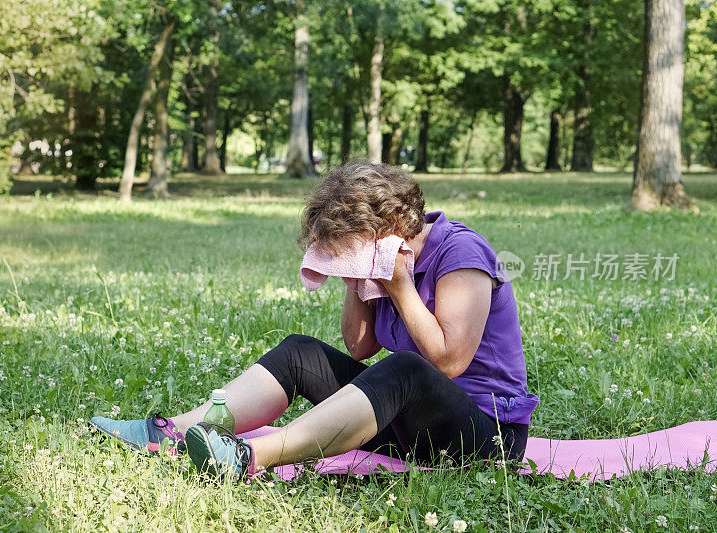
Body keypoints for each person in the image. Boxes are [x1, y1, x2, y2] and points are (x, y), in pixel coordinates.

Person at [90, 160, 539, 478]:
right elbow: (361, 347)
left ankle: (246, 456)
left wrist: (400, 286)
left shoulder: (461, 253)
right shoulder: (380, 264)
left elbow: (447, 362)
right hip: (413, 427)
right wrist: (356, 279)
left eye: (350, 249)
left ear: (386, 230)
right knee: (300, 352)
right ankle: (173, 432)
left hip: (485, 437)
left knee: (405, 369)